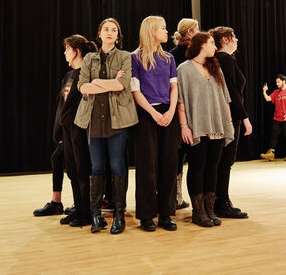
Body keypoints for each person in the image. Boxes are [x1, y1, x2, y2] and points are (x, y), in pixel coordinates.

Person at [74, 18, 138, 234]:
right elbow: (82, 87)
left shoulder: (125, 57)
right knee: (97, 168)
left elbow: (122, 84)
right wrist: (106, 83)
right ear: (99, 34)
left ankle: (119, 217)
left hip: (118, 121)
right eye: (106, 29)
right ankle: (96, 216)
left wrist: (97, 83)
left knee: (117, 166)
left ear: (117, 35)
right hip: (93, 121)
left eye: (114, 30)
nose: (110, 32)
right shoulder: (89, 58)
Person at [176, 32, 235, 227]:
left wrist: (229, 122)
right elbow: (181, 101)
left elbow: (225, 98)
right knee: (197, 167)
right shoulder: (183, 69)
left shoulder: (216, 67)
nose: (214, 47)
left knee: (212, 167)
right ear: (201, 45)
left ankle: (210, 208)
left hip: (217, 125)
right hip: (197, 126)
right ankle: (198, 211)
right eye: (211, 43)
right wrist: (184, 126)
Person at [131, 16, 180, 232]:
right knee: (147, 166)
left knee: (169, 163)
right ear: (151, 31)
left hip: (168, 114)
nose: (166, 31)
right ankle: (146, 215)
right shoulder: (135, 58)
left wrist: (170, 111)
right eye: (163, 28)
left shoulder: (169, 58)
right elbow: (135, 90)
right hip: (145, 115)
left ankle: (166, 214)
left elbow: (174, 88)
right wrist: (152, 112)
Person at [210, 27, 252, 219]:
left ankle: (220, 200)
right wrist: (245, 118)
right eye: (234, 37)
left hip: (225, 116)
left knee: (223, 160)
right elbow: (232, 92)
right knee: (226, 160)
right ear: (226, 39)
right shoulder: (225, 59)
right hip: (229, 117)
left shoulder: (222, 59)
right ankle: (222, 202)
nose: (237, 40)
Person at [56, 35, 98, 227]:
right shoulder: (68, 75)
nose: (65, 53)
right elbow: (61, 106)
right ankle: (78, 209)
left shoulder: (86, 74)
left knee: (82, 170)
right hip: (67, 130)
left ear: (76, 51)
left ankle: (86, 212)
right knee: (72, 170)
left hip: (80, 129)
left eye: (67, 49)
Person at [169, 18, 199, 210]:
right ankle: (182, 197)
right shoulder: (193, 55)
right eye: (196, 29)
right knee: (192, 155)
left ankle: (176, 197)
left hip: (176, 108)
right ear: (188, 33)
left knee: (177, 156)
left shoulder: (171, 54)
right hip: (189, 108)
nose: (199, 32)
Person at [260, 74, 286, 161]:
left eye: (278, 82)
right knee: (274, 133)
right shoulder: (276, 92)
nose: (277, 83)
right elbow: (268, 99)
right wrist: (264, 91)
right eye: (276, 82)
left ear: (284, 81)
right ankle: (271, 153)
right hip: (277, 117)